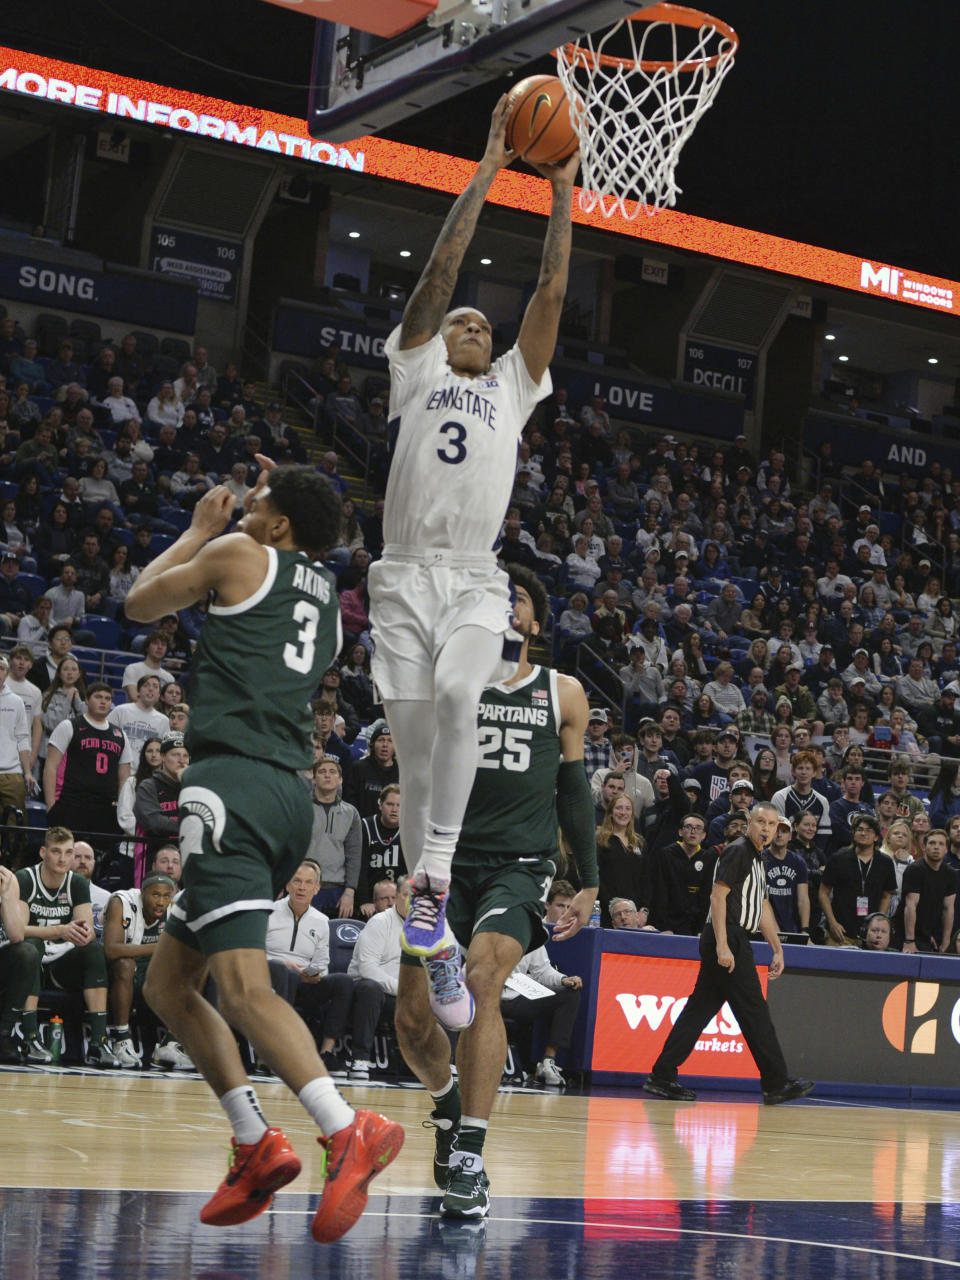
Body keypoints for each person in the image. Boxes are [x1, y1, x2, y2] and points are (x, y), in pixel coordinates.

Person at [123, 463, 403, 1242]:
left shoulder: (239, 556)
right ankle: (254, 1142)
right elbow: (279, 586)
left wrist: (199, 530)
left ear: (277, 525)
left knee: (244, 989)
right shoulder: (332, 607)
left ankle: (347, 1128)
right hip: (286, 794)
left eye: (256, 503)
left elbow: (139, 601)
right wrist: (270, 511)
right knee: (170, 984)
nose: (243, 506)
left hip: (232, 784)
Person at [366, 96, 579, 964]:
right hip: (401, 575)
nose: (471, 324)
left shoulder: (512, 387)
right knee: (416, 765)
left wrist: (562, 189)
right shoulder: (413, 369)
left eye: (481, 326)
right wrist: (489, 166)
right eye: (463, 321)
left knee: (463, 697)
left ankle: (439, 877)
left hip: (473, 576)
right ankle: (434, 938)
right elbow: (436, 278)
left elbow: (552, 289)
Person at [393, 566, 598, 1219]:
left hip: (519, 861)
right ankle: (449, 1110)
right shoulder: (446, 682)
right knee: (411, 1018)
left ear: (535, 622)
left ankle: (470, 1157)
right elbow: (413, 769)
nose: (504, 607)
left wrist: (589, 878)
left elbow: (573, 790)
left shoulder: (560, 694)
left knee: (484, 979)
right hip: (443, 858)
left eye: (516, 599)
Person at [643, 802, 814, 1106]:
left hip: (732, 936)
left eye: (772, 824)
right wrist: (722, 945)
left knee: (699, 1010)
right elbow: (717, 896)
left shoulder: (758, 859)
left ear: (778, 829)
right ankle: (775, 1082)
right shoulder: (739, 850)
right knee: (755, 1012)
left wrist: (777, 948)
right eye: (760, 821)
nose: (765, 828)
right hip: (727, 935)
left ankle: (662, 1075)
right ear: (749, 822)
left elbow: (761, 906)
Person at [17, 826, 119, 1066]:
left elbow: (88, 932)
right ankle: (30, 1037)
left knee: (93, 949)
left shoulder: (77, 884)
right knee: (31, 945)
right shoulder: (25, 878)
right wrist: (59, 931)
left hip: (62, 961)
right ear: (43, 852)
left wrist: (83, 934)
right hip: (30, 958)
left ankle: (98, 1041)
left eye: (68, 852)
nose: (63, 859)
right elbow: (18, 930)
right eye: (56, 852)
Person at [103, 872, 182, 1069]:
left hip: (150, 974)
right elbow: (111, 950)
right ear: (142, 892)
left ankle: (170, 1043)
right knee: (125, 965)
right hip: (113, 972)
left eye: (166, 896)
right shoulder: (120, 902)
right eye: (155, 895)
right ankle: (121, 1039)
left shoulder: (174, 909)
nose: (161, 902)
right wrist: (160, 946)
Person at [819, 815, 896, 946]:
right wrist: (832, 923)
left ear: (876, 837)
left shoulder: (886, 862)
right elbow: (823, 892)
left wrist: (877, 923)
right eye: (859, 829)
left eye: (868, 830)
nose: (863, 833)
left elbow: (887, 895)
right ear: (853, 833)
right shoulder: (838, 858)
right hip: (840, 932)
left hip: (871, 938)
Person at [895, 828, 957, 953]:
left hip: (927, 934)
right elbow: (910, 906)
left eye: (941, 844)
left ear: (946, 849)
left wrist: (946, 941)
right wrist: (909, 941)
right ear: (924, 847)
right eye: (932, 843)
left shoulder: (950, 874)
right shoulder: (915, 869)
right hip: (903, 933)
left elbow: (948, 908)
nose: (936, 847)